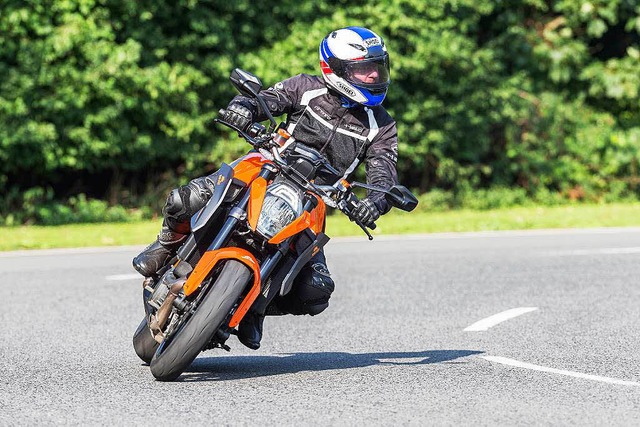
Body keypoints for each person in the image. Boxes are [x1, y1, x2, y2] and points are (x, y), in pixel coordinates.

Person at [133, 26, 399, 350]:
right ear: (337, 69)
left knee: (316, 291)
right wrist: (244, 108)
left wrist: (375, 201)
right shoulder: (305, 87)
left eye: (376, 68)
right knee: (183, 199)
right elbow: (266, 100)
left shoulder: (381, 125)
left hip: (313, 200)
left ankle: (254, 307)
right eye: (363, 69)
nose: (373, 75)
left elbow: (384, 173)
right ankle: (164, 247)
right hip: (265, 166)